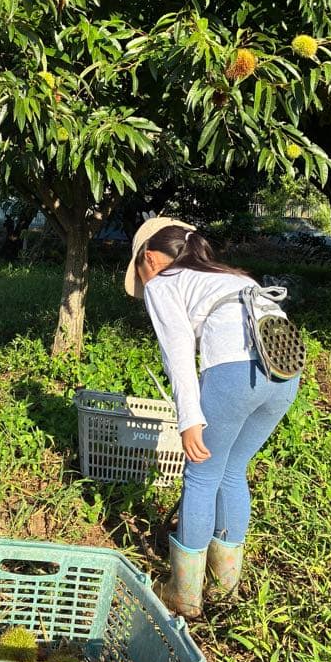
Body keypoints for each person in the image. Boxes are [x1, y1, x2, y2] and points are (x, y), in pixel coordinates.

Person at [125, 217, 300, 618]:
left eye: (140, 271)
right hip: (285, 376)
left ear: (149, 258)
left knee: (202, 475)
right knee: (232, 470)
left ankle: (184, 595)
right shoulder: (233, 278)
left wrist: (189, 418)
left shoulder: (164, 282)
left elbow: (178, 353)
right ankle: (224, 588)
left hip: (233, 375)